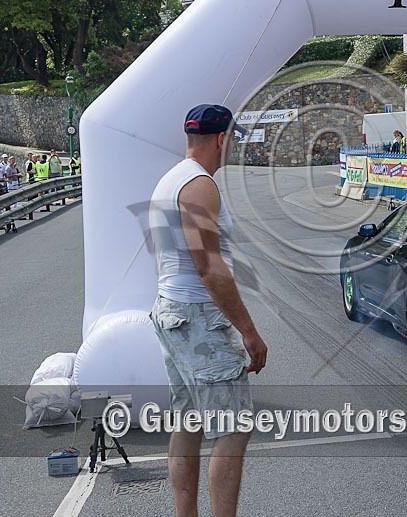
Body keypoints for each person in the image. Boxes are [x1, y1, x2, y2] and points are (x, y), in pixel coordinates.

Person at [148, 104, 267, 517]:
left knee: (188, 421)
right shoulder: (199, 185)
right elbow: (208, 267)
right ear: (222, 139)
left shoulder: (170, 179)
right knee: (233, 428)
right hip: (197, 316)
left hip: (171, 310)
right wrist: (248, 331)